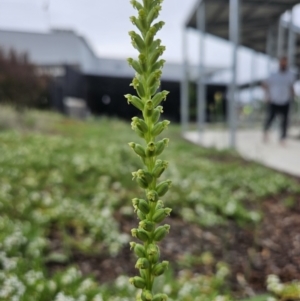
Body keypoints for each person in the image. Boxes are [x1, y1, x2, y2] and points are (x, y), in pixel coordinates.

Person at [262, 57, 295, 145]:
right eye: (282, 63)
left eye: (285, 63)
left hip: (285, 100)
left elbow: (291, 86)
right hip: (274, 100)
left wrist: (293, 94)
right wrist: (266, 96)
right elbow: (265, 85)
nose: (283, 64)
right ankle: (266, 133)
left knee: (285, 120)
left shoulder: (290, 74)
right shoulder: (273, 74)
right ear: (279, 63)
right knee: (270, 118)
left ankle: (283, 138)